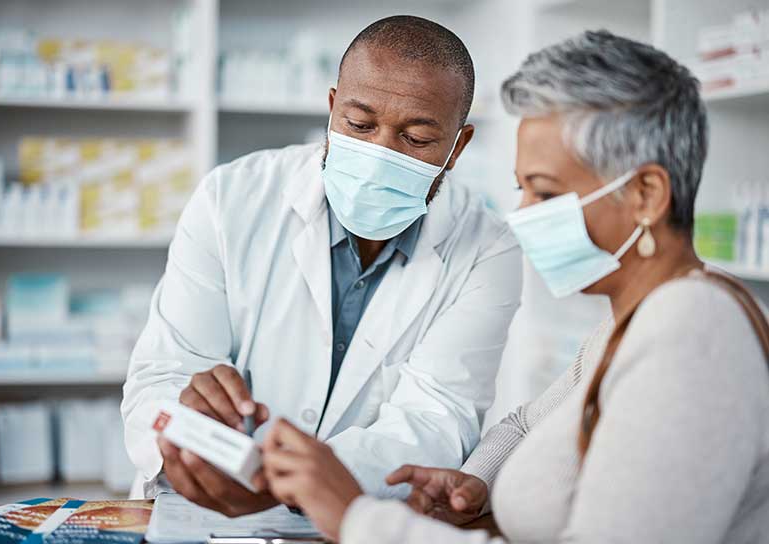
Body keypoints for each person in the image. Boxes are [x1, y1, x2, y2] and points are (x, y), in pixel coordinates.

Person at [261, 30, 769, 543]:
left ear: (646, 195)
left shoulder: (694, 336)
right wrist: (474, 485)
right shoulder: (630, 321)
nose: (522, 215)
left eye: (546, 192)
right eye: (520, 188)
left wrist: (357, 519)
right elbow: (526, 427)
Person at [121, 15, 522, 516]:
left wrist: (294, 476)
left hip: (354, 517)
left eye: (416, 139)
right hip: (198, 510)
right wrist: (184, 423)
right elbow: (162, 374)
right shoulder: (231, 198)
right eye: (359, 125)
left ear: (457, 147)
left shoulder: (489, 248)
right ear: (333, 110)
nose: (380, 154)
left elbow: (438, 419)